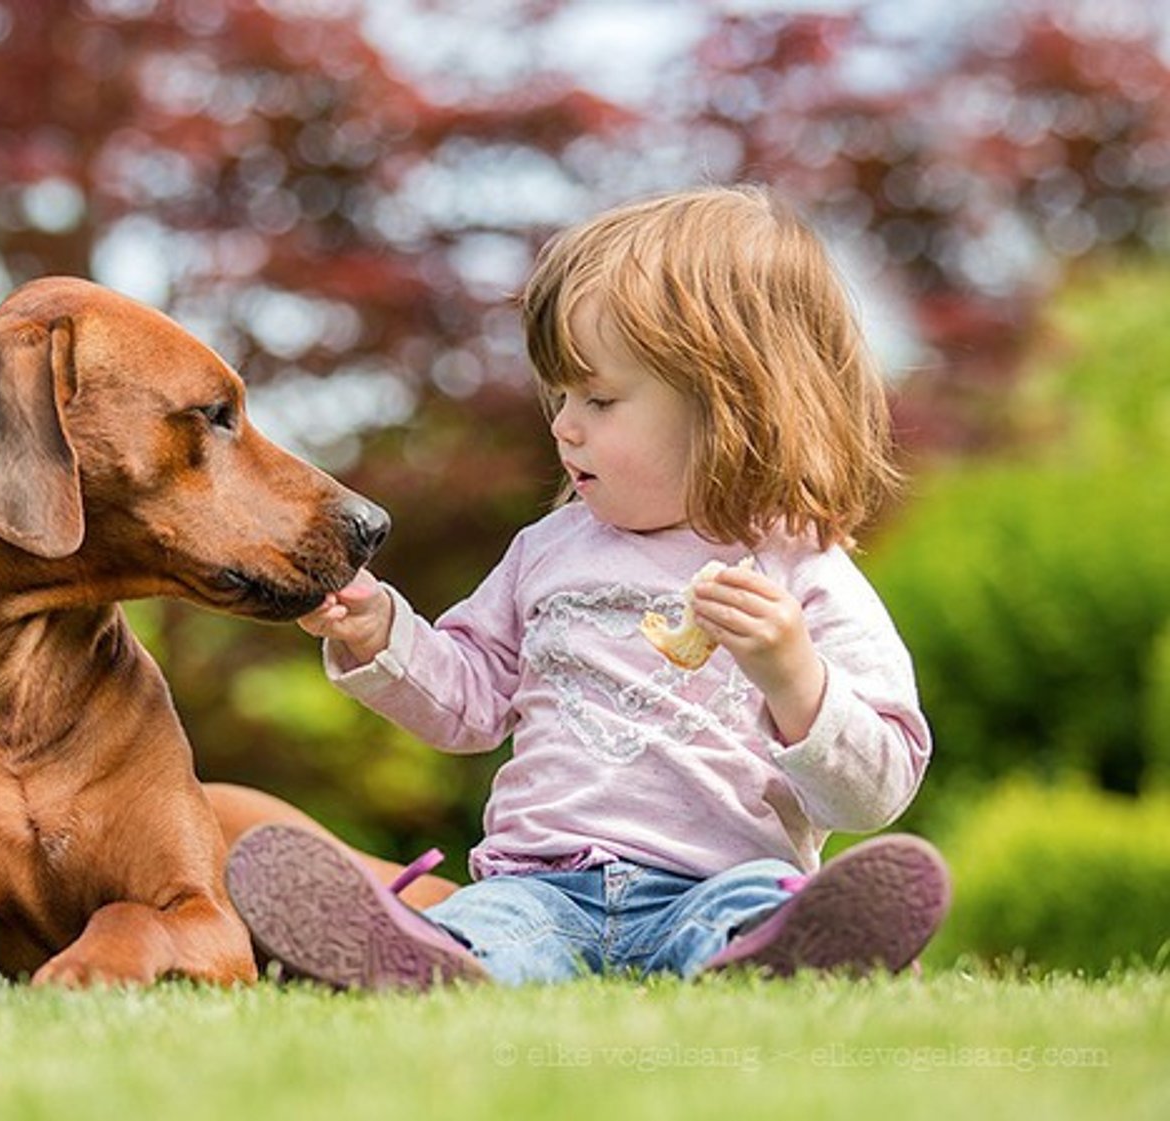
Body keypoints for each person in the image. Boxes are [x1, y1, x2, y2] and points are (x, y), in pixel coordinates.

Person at [221, 184, 950, 990]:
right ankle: (405, 958)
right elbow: (469, 701)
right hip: (541, 884)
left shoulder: (800, 569)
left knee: (751, 912)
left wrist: (794, 676)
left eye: (600, 399)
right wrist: (382, 632)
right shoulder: (548, 552)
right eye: (560, 395)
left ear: (733, 402)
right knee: (482, 929)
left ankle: (783, 954)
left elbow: (878, 785)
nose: (565, 424)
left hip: (717, 878)